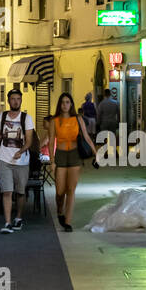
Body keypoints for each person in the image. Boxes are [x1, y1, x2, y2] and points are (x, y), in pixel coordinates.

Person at [0, 89, 35, 234]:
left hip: (21, 161)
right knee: (7, 191)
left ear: (21, 100)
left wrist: (20, 151)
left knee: (20, 192)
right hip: (4, 159)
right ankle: (8, 222)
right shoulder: (1, 117)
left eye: (18, 99)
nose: (16, 101)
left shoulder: (26, 118)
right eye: (13, 99)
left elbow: (29, 140)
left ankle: (19, 217)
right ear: (9, 100)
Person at [52, 92, 96, 232]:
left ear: (71, 104)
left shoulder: (78, 119)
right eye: (63, 102)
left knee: (71, 190)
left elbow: (86, 137)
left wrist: (96, 154)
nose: (65, 105)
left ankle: (67, 221)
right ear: (60, 104)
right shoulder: (55, 121)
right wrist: (52, 161)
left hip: (74, 155)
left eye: (67, 102)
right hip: (60, 155)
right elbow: (51, 140)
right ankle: (60, 210)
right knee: (60, 191)